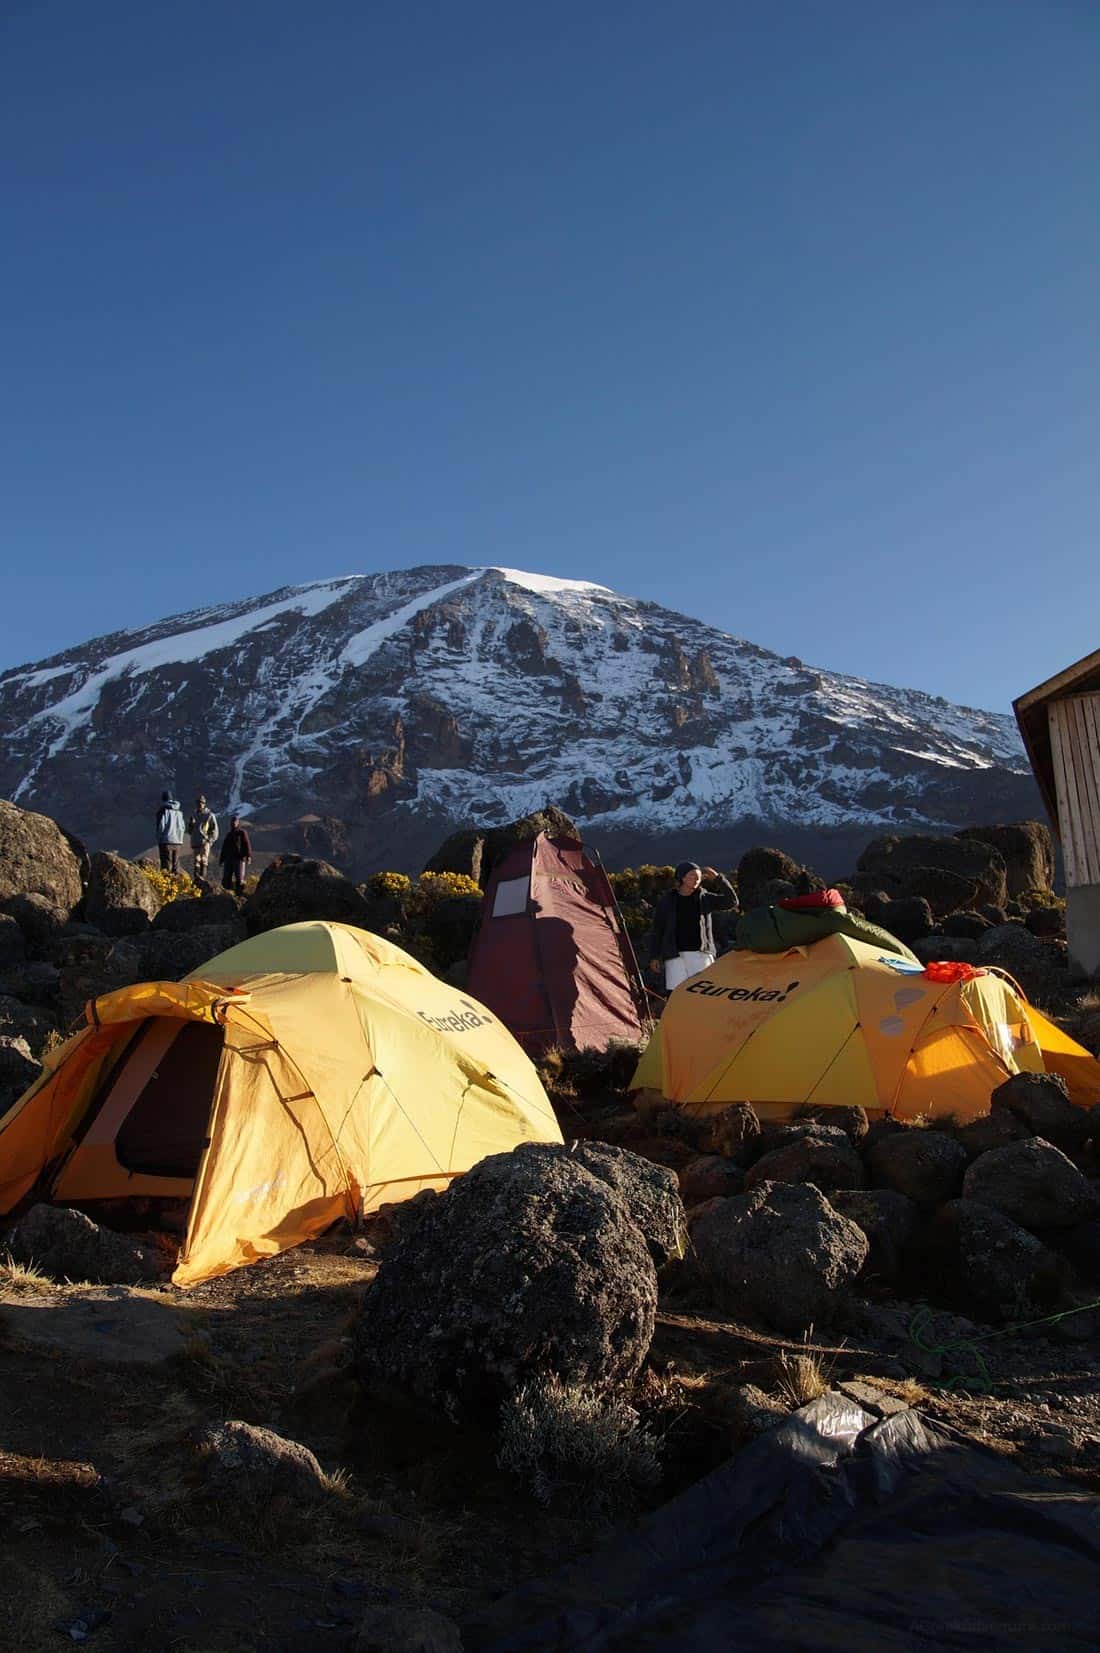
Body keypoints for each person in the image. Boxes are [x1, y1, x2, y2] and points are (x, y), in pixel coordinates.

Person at [646, 862, 737, 993]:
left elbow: (732, 902)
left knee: (704, 995)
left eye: (699, 877)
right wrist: (654, 956)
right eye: (692, 876)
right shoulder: (668, 900)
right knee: (676, 995)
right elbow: (658, 929)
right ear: (682, 877)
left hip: (701, 955)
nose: (696, 880)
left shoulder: (705, 898)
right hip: (675, 957)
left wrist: (718, 879)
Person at [187, 794, 219, 882]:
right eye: (198, 803)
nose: (199, 804)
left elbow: (215, 830)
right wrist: (190, 825)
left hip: (205, 841)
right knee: (196, 861)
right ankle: (197, 879)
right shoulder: (193, 815)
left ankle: (202, 879)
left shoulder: (209, 815)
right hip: (195, 841)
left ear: (204, 804)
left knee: (204, 860)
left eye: (201, 803)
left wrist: (209, 840)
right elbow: (189, 830)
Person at [219, 815, 252, 894]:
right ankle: (228, 896)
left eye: (235, 821)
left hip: (239, 859)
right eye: (232, 821)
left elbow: (247, 844)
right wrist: (221, 859)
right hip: (228, 860)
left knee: (239, 879)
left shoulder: (242, 833)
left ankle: (239, 896)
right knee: (226, 879)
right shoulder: (229, 835)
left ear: (238, 823)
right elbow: (224, 848)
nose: (233, 823)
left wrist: (248, 856)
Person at [155, 791, 186, 874]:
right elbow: (183, 827)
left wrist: (159, 838)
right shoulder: (179, 812)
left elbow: (161, 826)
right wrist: (180, 838)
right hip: (178, 842)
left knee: (166, 864)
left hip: (166, 841)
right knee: (175, 865)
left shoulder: (163, 810)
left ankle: (166, 884)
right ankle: (175, 882)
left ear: (163, 799)